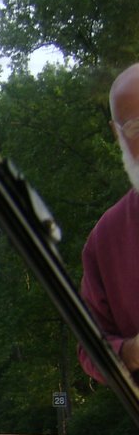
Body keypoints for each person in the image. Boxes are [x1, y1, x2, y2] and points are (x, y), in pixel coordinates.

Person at [78, 63, 139, 382]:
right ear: (117, 134)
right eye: (138, 128)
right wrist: (128, 351)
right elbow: (90, 349)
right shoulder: (105, 239)